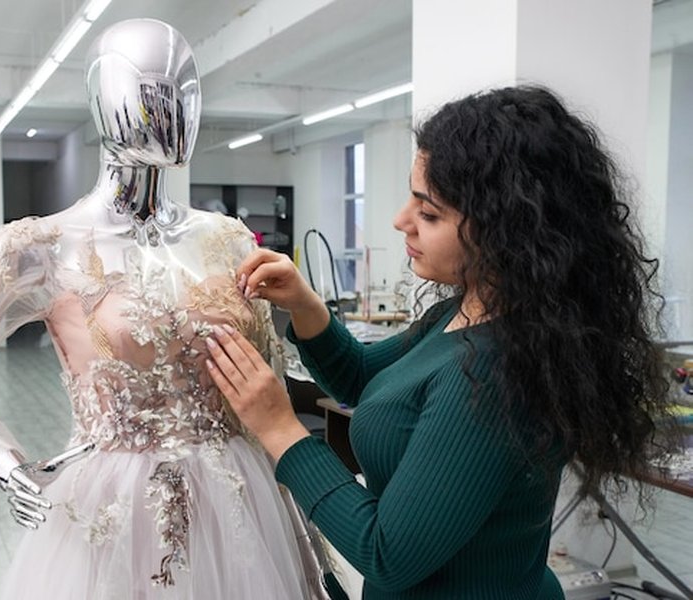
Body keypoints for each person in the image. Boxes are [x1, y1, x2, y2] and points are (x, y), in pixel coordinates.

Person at [0, 18, 328, 600]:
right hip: (117, 502)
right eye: (152, 92)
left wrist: (298, 524)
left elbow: (265, 382)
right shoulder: (42, 247)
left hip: (241, 497)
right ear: (106, 100)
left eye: (187, 93)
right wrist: (1, 464)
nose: (177, 112)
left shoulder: (227, 238)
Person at [205, 85, 679, 599]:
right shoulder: (463, 313)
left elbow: (386, 553)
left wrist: (280, 429)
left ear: (504, 232)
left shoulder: (495, 372)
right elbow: (367, 383)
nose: (400, 221)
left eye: (428, 214)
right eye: (413, 199)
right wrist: (305, 305)